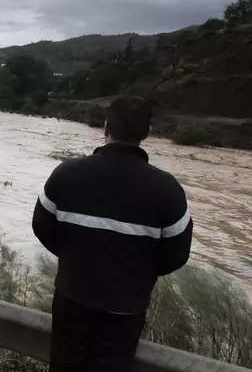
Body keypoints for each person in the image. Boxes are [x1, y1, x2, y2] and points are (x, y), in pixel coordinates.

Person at [32, 95, 193, 372]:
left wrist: (74, 257)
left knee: (65, 365)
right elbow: (177, 254)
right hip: (126, 307)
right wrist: (138, 271)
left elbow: (42, 226)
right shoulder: (168, 190)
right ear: (147, 133)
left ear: (105, 128)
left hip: (72, 295)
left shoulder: (67, 173)